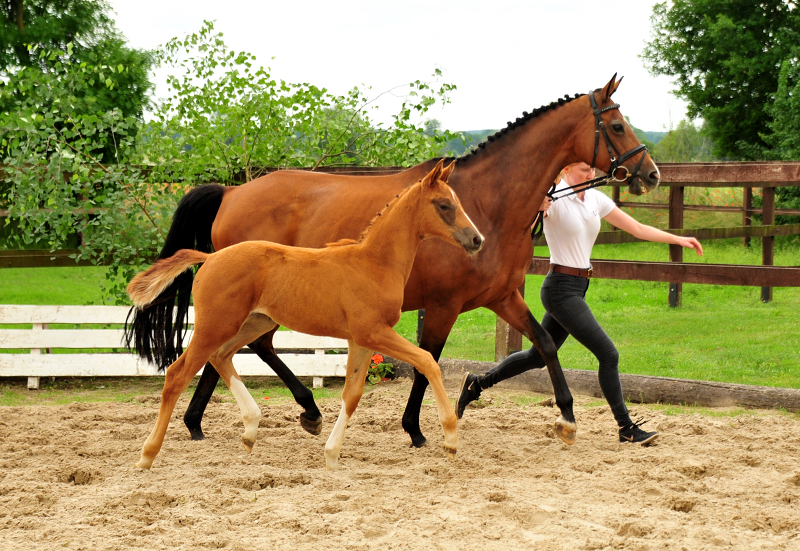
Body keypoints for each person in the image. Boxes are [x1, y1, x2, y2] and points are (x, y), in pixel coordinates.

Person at [457, 162, 703, 445]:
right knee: (609, 355)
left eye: (593, 170)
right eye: (585, 170)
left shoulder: (595, 198)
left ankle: (477, 383)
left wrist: (678, 239)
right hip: (560, 289)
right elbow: (519, 224)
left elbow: (635, 228)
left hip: (579, 286)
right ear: (565, 170)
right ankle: (626, 428)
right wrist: (536, 207)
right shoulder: (554, 199)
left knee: (537, 357)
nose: (592, 174)